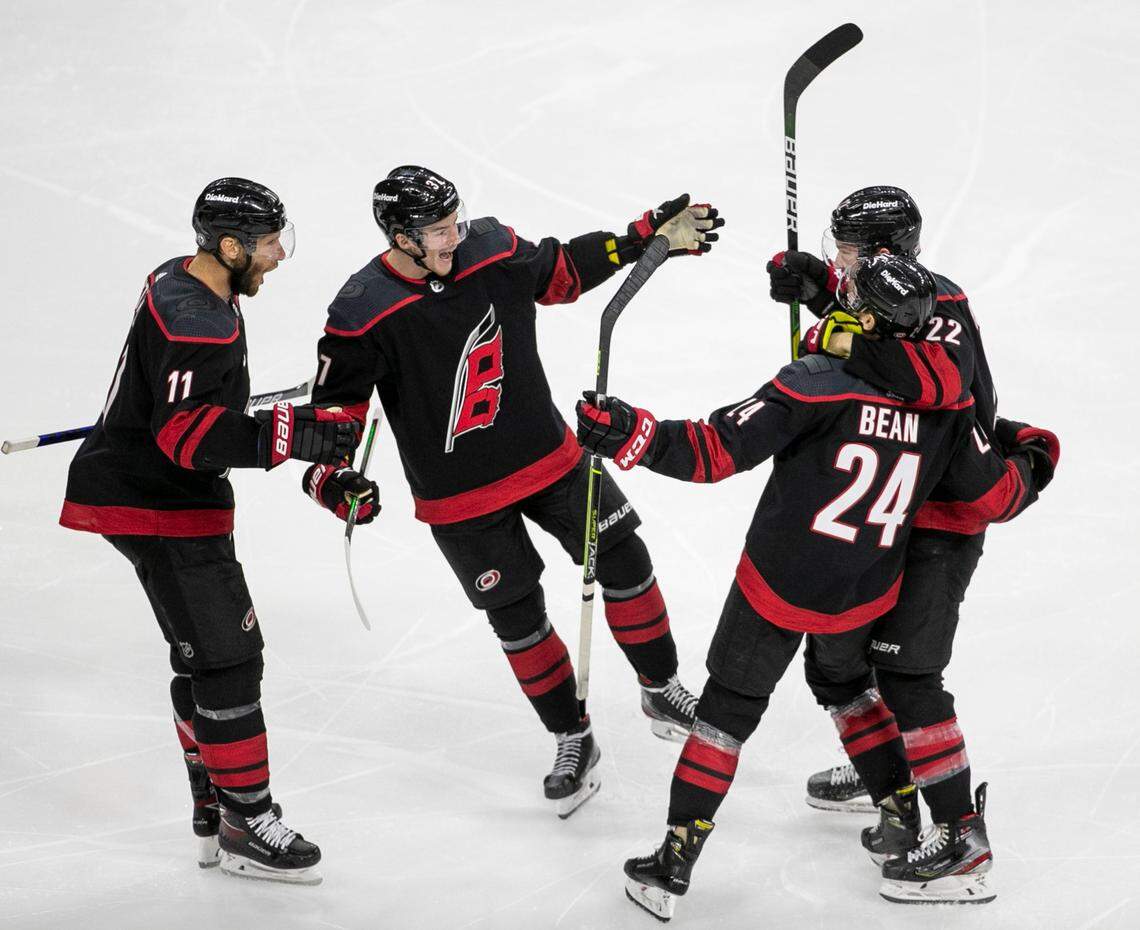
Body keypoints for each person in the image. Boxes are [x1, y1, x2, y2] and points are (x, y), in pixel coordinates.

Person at [575, 254, 1053, 920]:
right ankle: (896, 812)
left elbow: (717, 451)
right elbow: (986, 492)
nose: (841, 294)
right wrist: (1032, 455)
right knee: (844, 685)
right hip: (864, 591)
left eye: (850, 294)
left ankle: (674, 861)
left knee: (725, 715)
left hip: (778, 581)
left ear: (866, 320)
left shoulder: (817, 383)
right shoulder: (949, 401)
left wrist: (633, 434)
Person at [302, 165, 724, 817]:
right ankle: (572, 738)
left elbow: (561, 273)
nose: (454, 237)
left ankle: (660, 687)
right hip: (461, 500)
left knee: (626, 560)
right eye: (439, 231)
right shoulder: (362, 310)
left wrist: (641, 237)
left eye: (455, 221)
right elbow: (336, 416)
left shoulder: (492, 249)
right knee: (518, 618)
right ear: (401, 236)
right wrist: (334, 480)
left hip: (549, 456)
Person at [59, 178, 361, 884]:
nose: (280, 255)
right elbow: (189, 442)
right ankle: (246, 823)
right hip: (159, 502)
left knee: (204, 660)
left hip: (142, 486)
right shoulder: (203, 324)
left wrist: (211, 402)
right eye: (267, 242)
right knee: (229, 660)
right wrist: (291, 434)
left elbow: (174, 398)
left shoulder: (176, 279)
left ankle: (212, 803)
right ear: (229, 247)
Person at [767, 186, 1059, 903]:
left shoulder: (944, 309)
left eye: (846, 252)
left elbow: (918, 376)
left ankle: (962, 840)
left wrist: (828, 325)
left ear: (884, 254)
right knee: (835, 657)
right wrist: (817, 291)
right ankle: (887, 773)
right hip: (887, 508)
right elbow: (877, 326)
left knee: (906, 672)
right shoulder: (884, 294)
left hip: (943, 517)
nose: (838, 261)